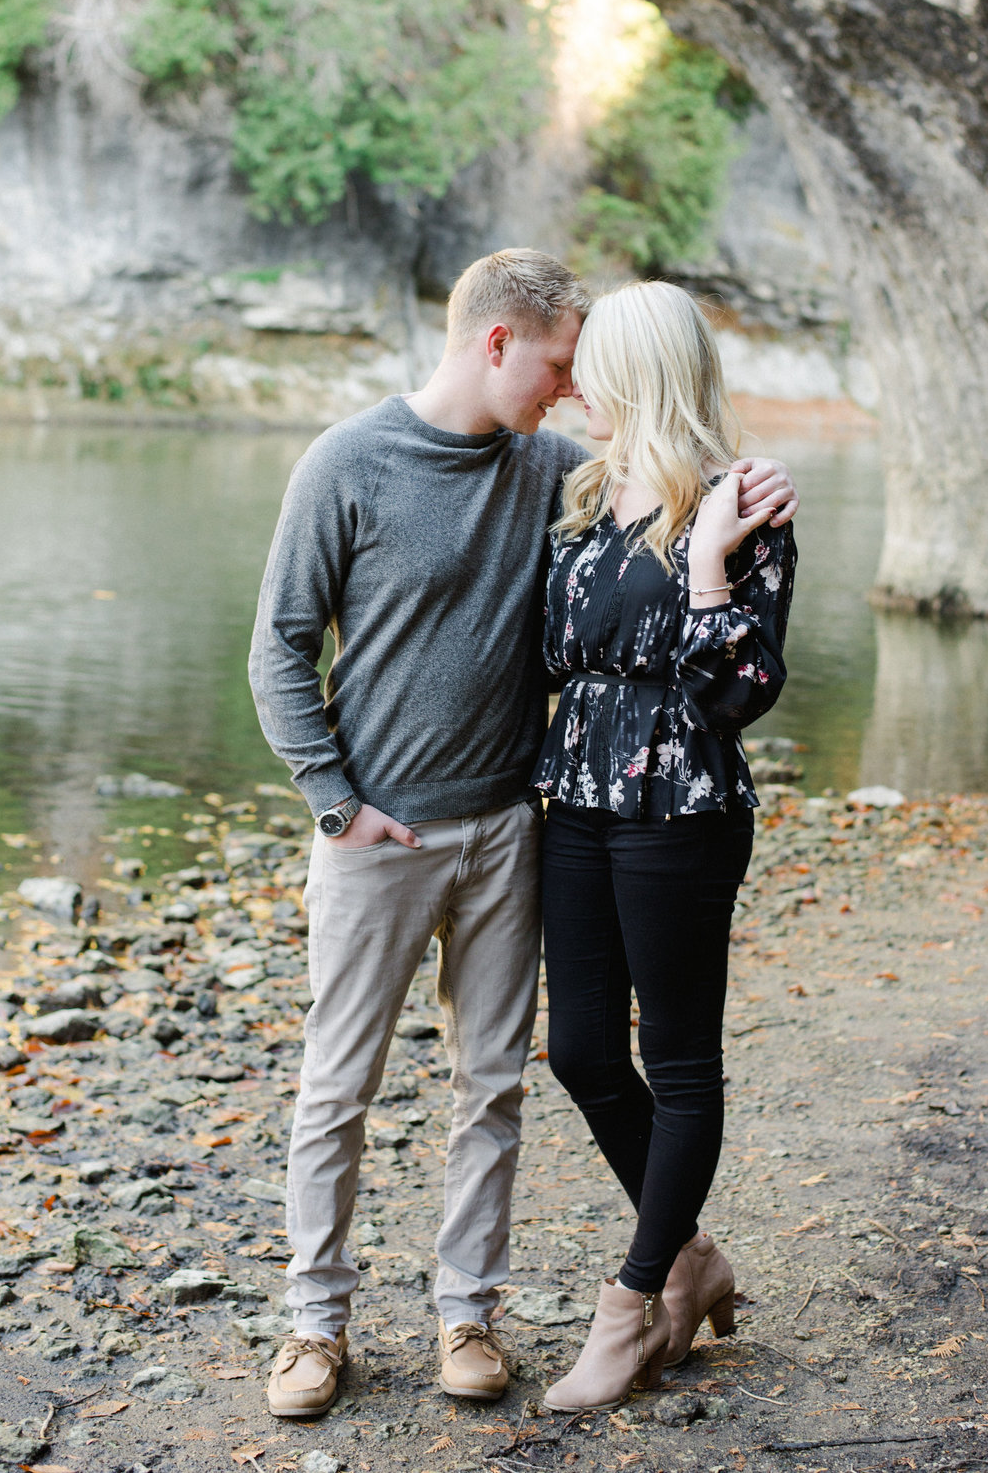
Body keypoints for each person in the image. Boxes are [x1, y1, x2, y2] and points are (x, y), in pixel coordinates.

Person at [248, 248, 799, 1420]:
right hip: (405, 831)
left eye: (585, 372)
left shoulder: (605, 482)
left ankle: (478, 1315)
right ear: (499, 344)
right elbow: (279, 647)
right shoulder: (387, 466)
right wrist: (334, 801)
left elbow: (722, 626)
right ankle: (313, 1326)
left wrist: (723, 529)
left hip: (535, 822)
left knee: (497, 1080)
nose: (565, 391)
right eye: (558, 366)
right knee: (356, 1081)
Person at [532, 281, 796, 1412]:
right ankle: (693, 1256)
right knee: (582, 1049)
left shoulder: (747, 501)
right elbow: (552, 655)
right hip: (578, 796)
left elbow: (739, 691)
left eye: (591, 363)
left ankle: (632, 1304)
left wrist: (703, 567)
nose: (574, 382)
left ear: (639, 371)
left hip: (682, 805)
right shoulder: (587, 493)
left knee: (679, 1058)